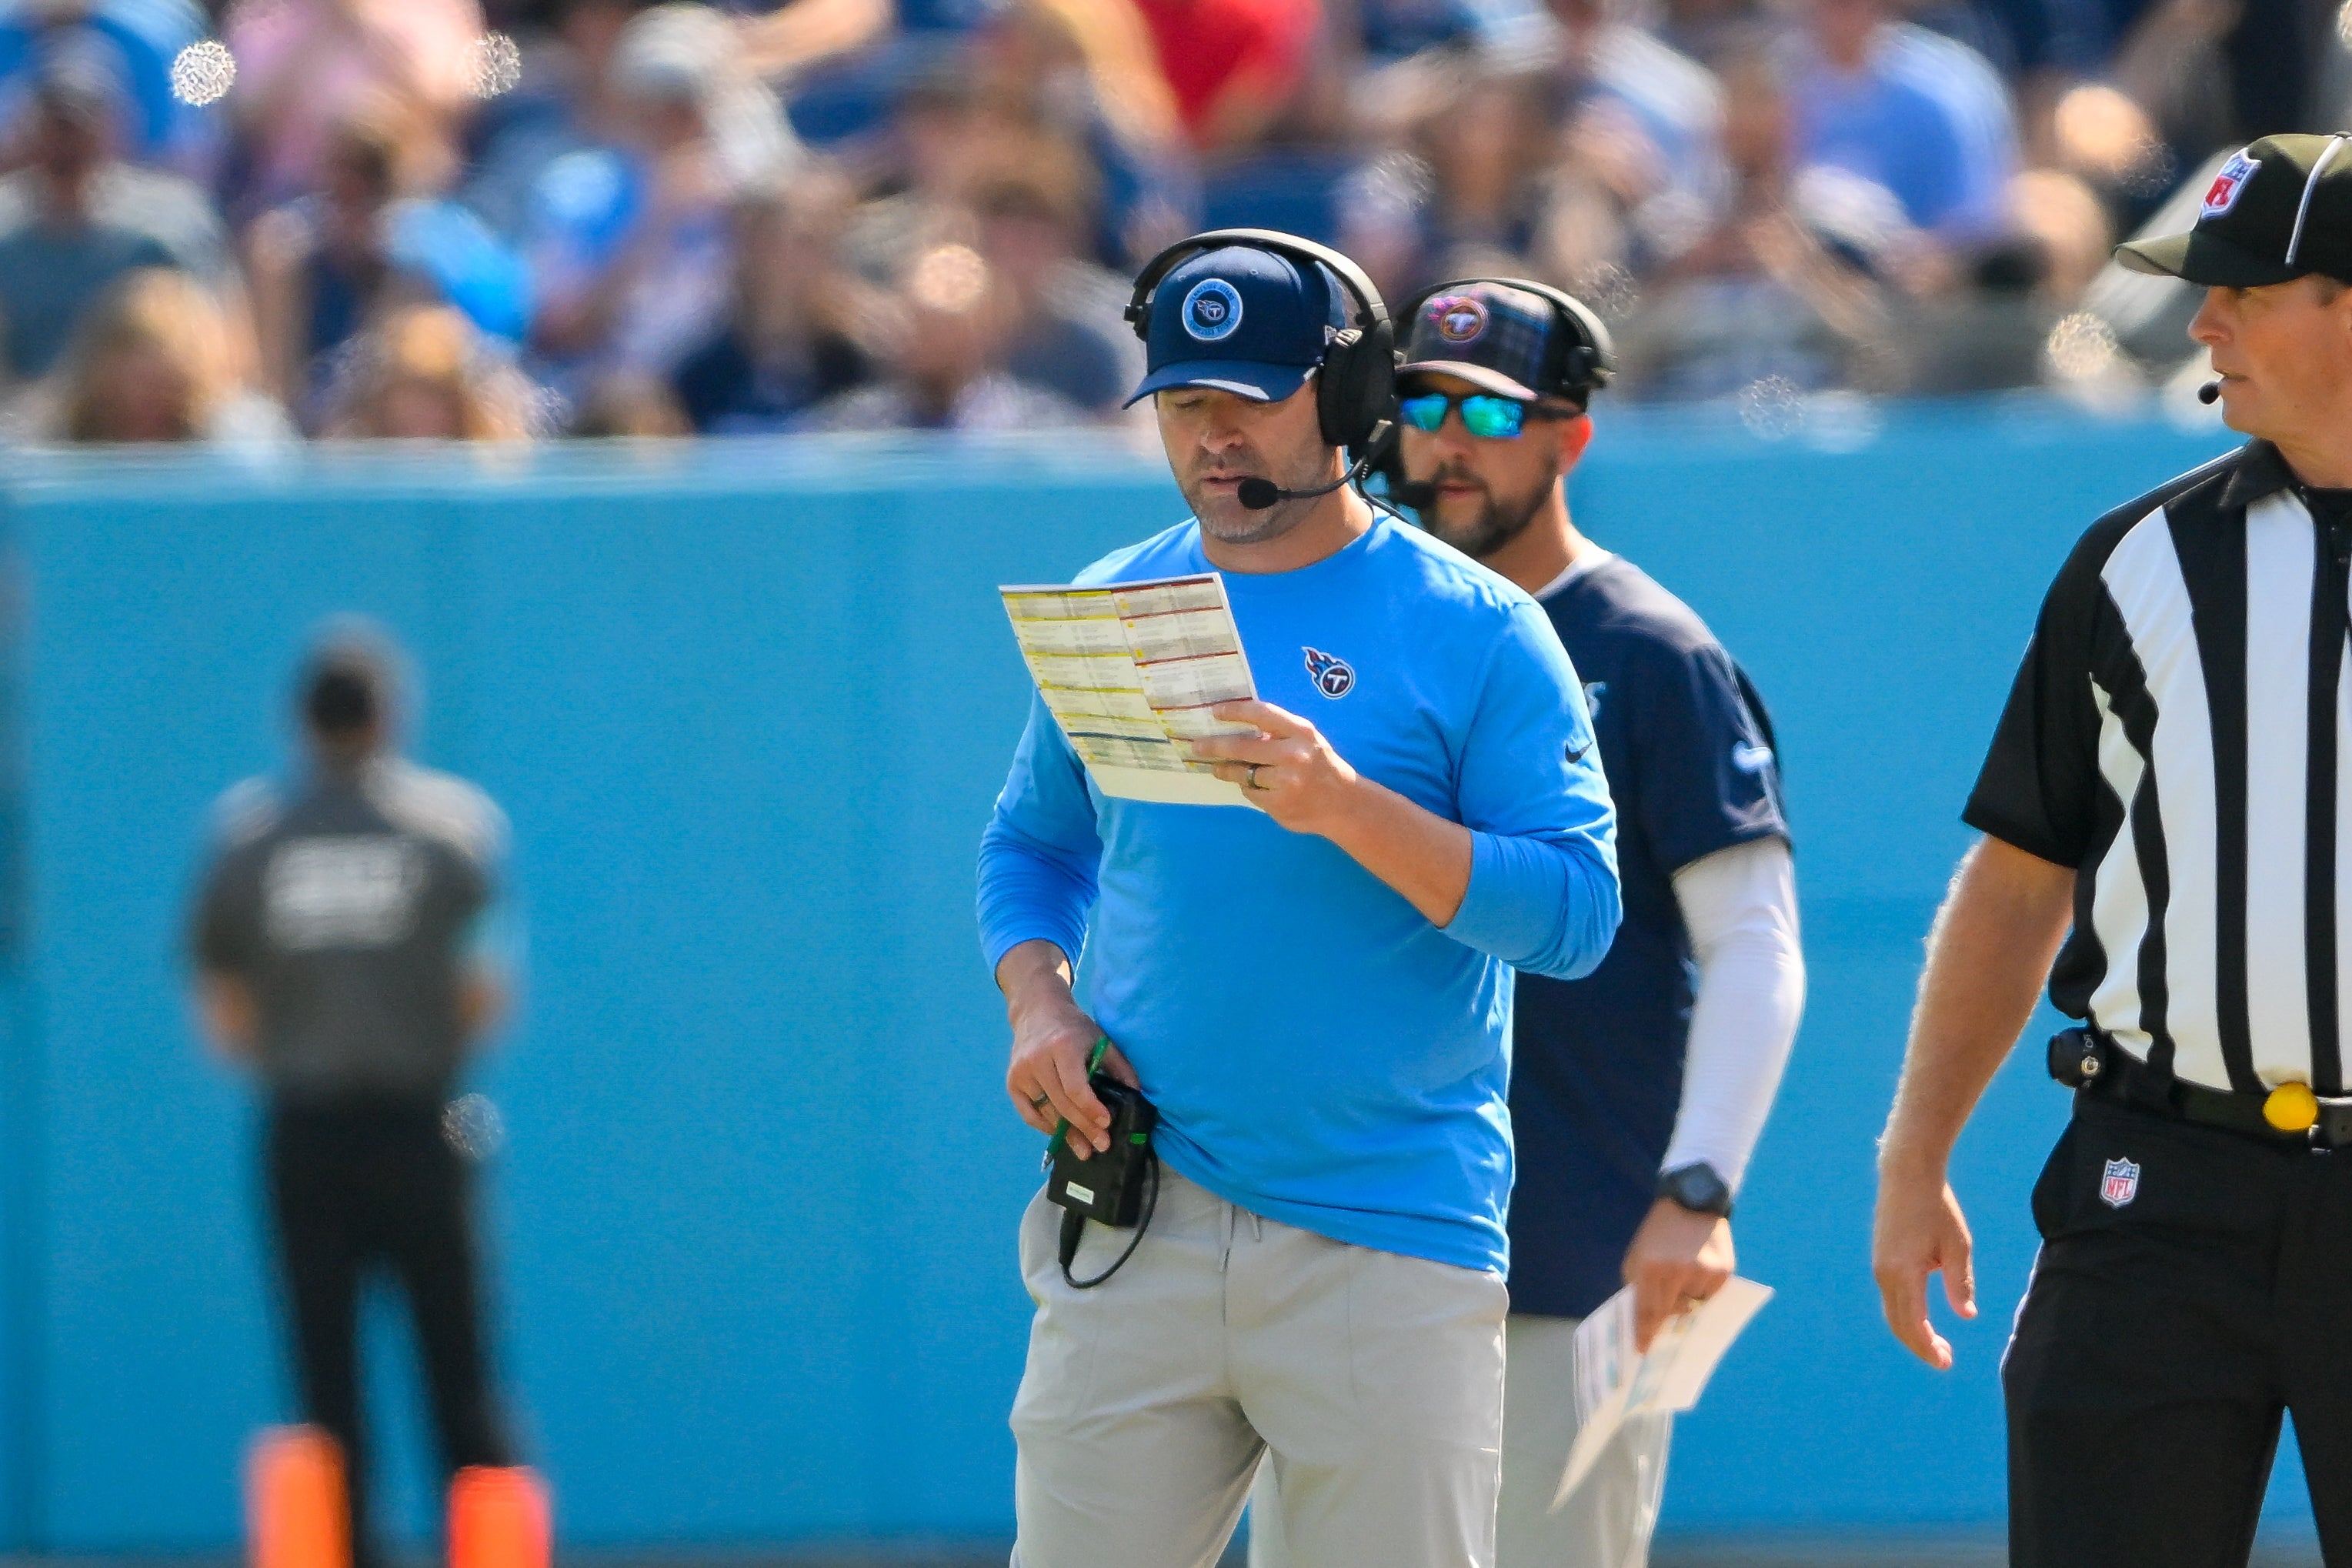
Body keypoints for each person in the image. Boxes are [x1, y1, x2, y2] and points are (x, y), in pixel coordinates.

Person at [976, 231, 1620, 1568]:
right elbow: (1031, 846)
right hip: (1139, 1212)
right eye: (1182, 402)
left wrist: (1343, 805)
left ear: (1345, 400)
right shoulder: (1117, 597)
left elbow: (1571, 914)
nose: (1211, 436)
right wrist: (1038, 1000)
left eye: (1247, 397)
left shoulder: (1480, 625)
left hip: (1386, 1233)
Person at [1253, 279, 1805, 1568]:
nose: (1444, 442)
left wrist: (1699, 1187)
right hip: (1349, 1229)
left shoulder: (1650, 651)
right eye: (1421, 407)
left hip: (1581, 1246)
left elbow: (1755, 942)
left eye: (1486, 415)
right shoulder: (1366, 623)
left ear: (1571, 435)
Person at [1872, 132, 2352, 1566]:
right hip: (2160, 1188)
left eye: (2239, 288)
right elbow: (2022, 873)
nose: (2201, 321)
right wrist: (1914, 1154)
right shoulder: (2133, 562)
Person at [190, 632, 523, 1568]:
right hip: (425, 1123)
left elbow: (221, 1003)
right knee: (463, 1379)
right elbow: (489, 985)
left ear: (298, 721)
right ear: (391, 716)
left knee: (325, 1386)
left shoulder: (249, 839)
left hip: (306, 1129)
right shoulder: (452, 831)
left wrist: (288, 1054)